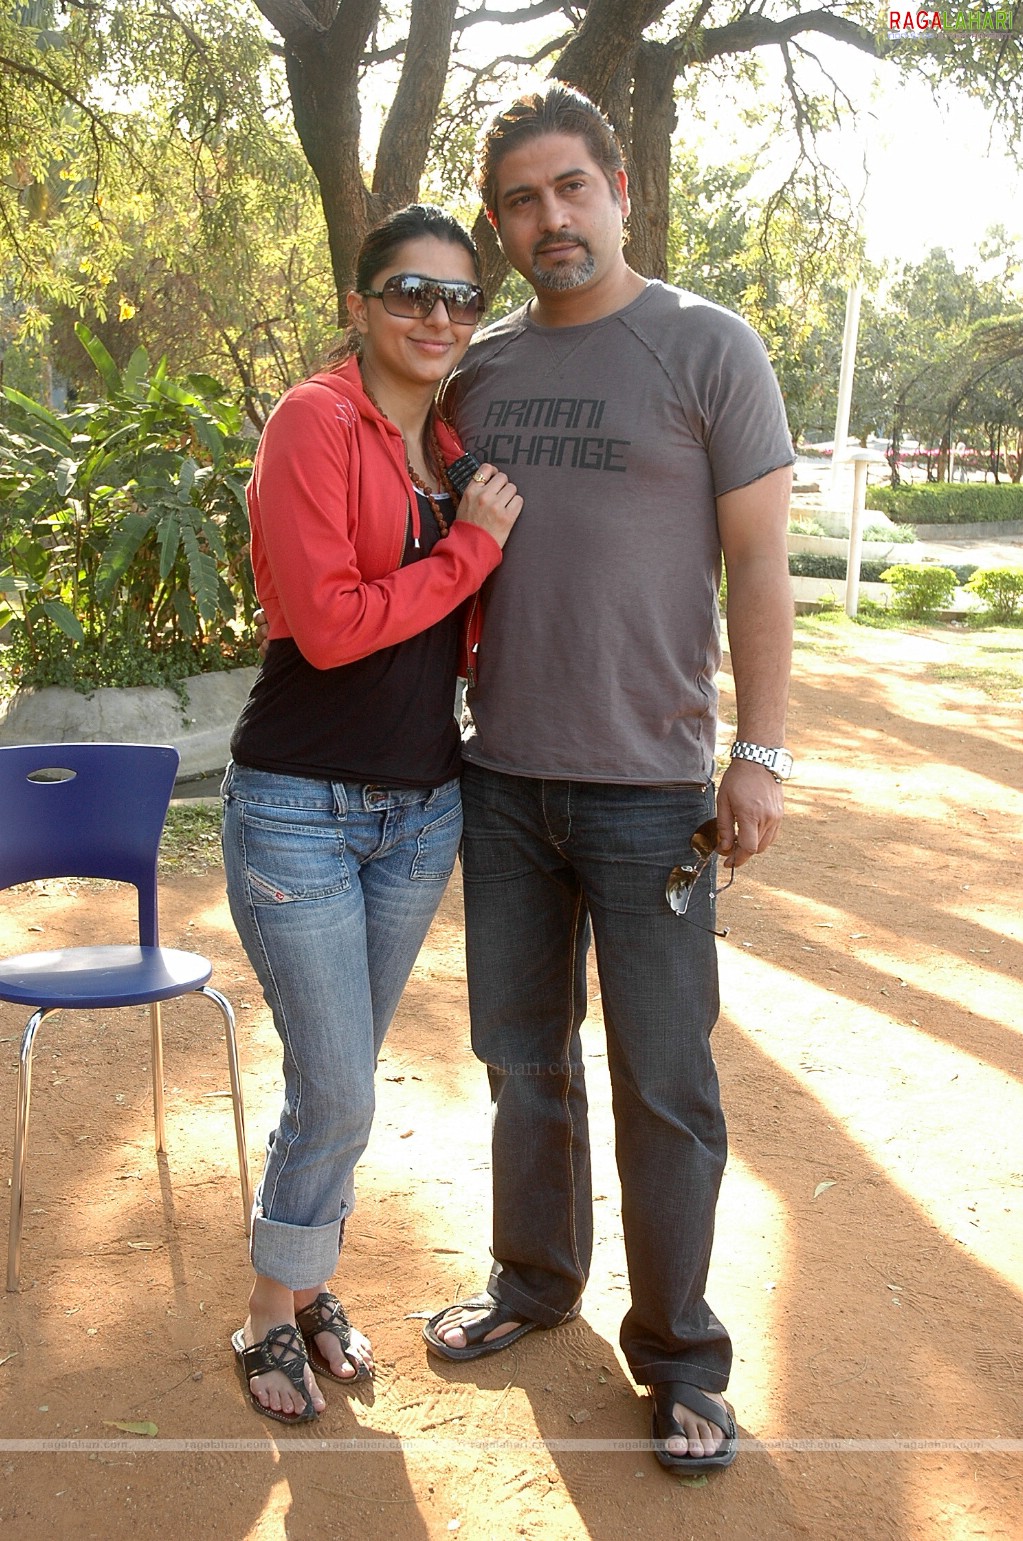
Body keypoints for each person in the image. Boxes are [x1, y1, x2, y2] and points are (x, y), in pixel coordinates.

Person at [420, 87, 794, 1475]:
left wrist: (759, 752)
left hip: (650, 790)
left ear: (618, 189)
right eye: (520, 201)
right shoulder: (479, 374)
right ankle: (533, 1281)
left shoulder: (707, 345)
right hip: (502, 778)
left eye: (570, 187)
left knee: (665, 1081)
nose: (550, 220)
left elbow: (759, 565)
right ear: (499, 222)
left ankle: (683, 1354)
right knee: (522, 1059)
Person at [223, 204, 522, 1425]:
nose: (436, 315)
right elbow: (333, 623)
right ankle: (265, 1309)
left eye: (461, 297)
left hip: (420, 811)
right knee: (341, 1084)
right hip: (298, 804)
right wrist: (473, 551)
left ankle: (306, 1286)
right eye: (409, 291)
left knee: (334, 1079)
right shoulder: (311, 419)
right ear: (360, 304)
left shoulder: (449, 443)